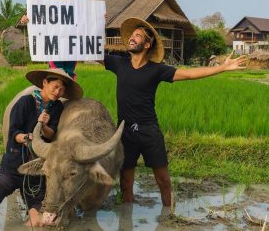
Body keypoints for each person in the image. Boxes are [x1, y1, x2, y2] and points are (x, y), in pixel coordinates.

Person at [101, 17, 247, 208]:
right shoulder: (118, 63)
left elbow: (189, 74)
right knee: (126, 184)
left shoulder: (156, 70)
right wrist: (98, 25)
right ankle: (127, 222)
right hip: (125, 131)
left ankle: (168, 220)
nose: (132, 38)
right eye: (132, 35)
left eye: (138, 36)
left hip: (149, 131)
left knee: (164, 181)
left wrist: (223, 67)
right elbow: (89, 51)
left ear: (147, 44)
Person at [0, 68, 83, 230]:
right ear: (44, 83)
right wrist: (28, 137)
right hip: (11, 169)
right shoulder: (25, 102)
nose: (58, 92)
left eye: (62, 89)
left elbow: (50, 135)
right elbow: (14, 132)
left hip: (34, 174)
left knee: (37, 222)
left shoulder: (56, 108)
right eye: (55, 86)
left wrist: (44, 126)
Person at [20, 0, 91, 80]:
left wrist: (98, 18)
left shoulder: (74, 1)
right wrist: (26, 19)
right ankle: (52, 94)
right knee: (56, 73)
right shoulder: (48, 0)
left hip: (70, 45)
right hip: (55, 45)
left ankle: (68, 94)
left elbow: (84, 20)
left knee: (69, 73)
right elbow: (37, 17)